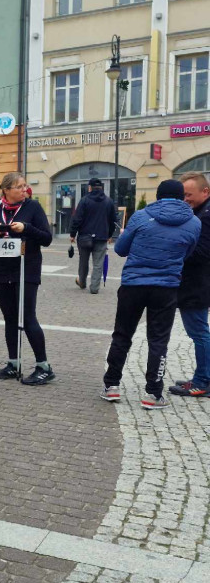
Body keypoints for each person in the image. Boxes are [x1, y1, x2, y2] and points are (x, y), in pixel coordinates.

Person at [101, 179, 200, 408]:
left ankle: (112, 386)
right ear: (181, 197)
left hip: (133, 285)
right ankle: (153, 393)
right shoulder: (193, 222)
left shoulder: (141, 216)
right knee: (158, 340)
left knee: (122, 334)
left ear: (158, 195)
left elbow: (120, 249)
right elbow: (188, 253)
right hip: (166, 288)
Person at [0, 172, 55, 385]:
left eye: (25, 186)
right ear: (6, 190)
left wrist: (27, 229)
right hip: (2, 271)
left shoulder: (32, 208)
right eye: (19, 187)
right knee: (10, 319)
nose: (24, 189)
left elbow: (47, 238)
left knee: (28, 317)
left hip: (26, 269)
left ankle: (44, 366)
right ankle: (14, 363)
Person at [169, 172, 210, 397]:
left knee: (199, 333)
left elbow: (202, 252)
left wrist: (174, 250)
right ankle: (201, 377)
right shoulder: (199, 212)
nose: (185, 199)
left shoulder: (206, 216)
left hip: (197, 285)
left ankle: (203, 381)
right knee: (199, 332)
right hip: (196, 284)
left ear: (205, 192)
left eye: (189, 194)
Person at [69, 178, 119, 294]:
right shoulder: (108, 201)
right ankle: (94, 288)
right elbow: (113, 221)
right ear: (101, 188)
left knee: (83, 261)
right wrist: (109, 235)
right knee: (98, 264)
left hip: (84, 237)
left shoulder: (84, 200)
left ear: (90, 187)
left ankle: (82, 282)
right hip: (101, 237)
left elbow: (77, 218)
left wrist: (72, 234)